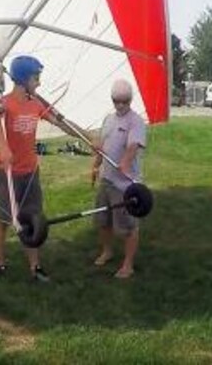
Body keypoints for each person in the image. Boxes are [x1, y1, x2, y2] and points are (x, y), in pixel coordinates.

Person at [0, 55, 82, 282]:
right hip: (7, 173)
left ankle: (35, 267)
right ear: (23, 79)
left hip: (30, 173)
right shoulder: (4, 103)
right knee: (4, 221)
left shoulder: (36, 103)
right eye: (36, 77)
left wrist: (87, 135)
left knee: (33, 219)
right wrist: (4, 148)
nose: (39, 82)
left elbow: (62, 123)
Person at [91, 78, 146, 279]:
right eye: (117, 101)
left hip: (125, 185)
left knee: (127, 227)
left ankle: (128, 264)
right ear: (112, 99)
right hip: (107, 180)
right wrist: (96, 165)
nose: (121, 105)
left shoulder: (136, 121)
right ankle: (107, 251)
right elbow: (102, 146)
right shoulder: (108, 119)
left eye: (125, 101)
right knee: (103, 221)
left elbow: (133, 145)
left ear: (130, 99)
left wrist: (125, 162)